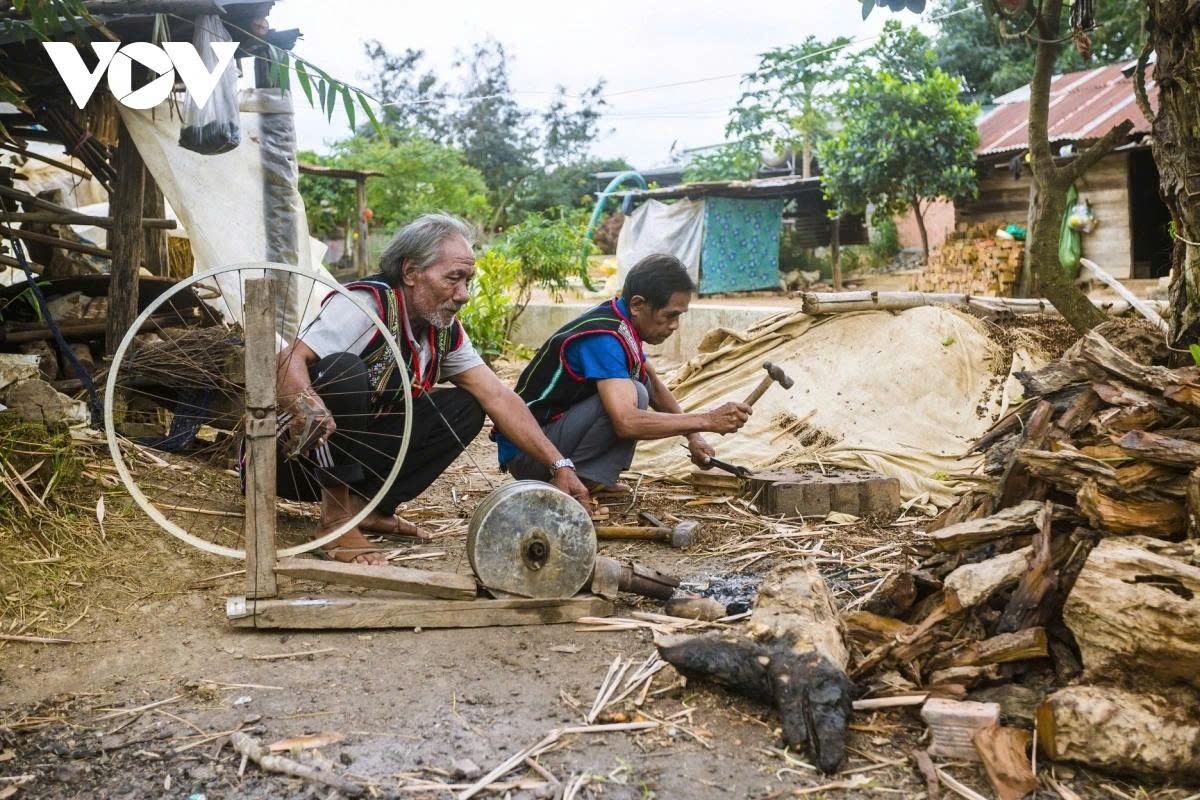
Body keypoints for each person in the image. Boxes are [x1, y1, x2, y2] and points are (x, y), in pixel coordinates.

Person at [273, 213, 590, 564]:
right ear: (411, 272)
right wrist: (307, 404)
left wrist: (559, 465)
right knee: (343, 372)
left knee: (466, 405)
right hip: (295, 459)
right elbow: (288, 360)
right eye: (454, 279)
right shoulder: (366, 305)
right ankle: (335, 521)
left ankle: (368, 508)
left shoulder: (443, 330)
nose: (464, 295)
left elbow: (497, 396)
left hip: (357, 464)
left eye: (468, 280)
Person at [496, 253, 752, 507]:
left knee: (640, 386)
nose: (675, 326)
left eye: (679, 316)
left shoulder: (621, 323)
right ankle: (576, 481)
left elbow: (653, 382)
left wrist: (694, 436)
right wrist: (707, 420)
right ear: (638, 305)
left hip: (548, 439)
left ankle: (593, 477)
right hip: (530, 454)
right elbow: (626, 423)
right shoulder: (604, 338)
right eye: (670, 315)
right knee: (633, 395)